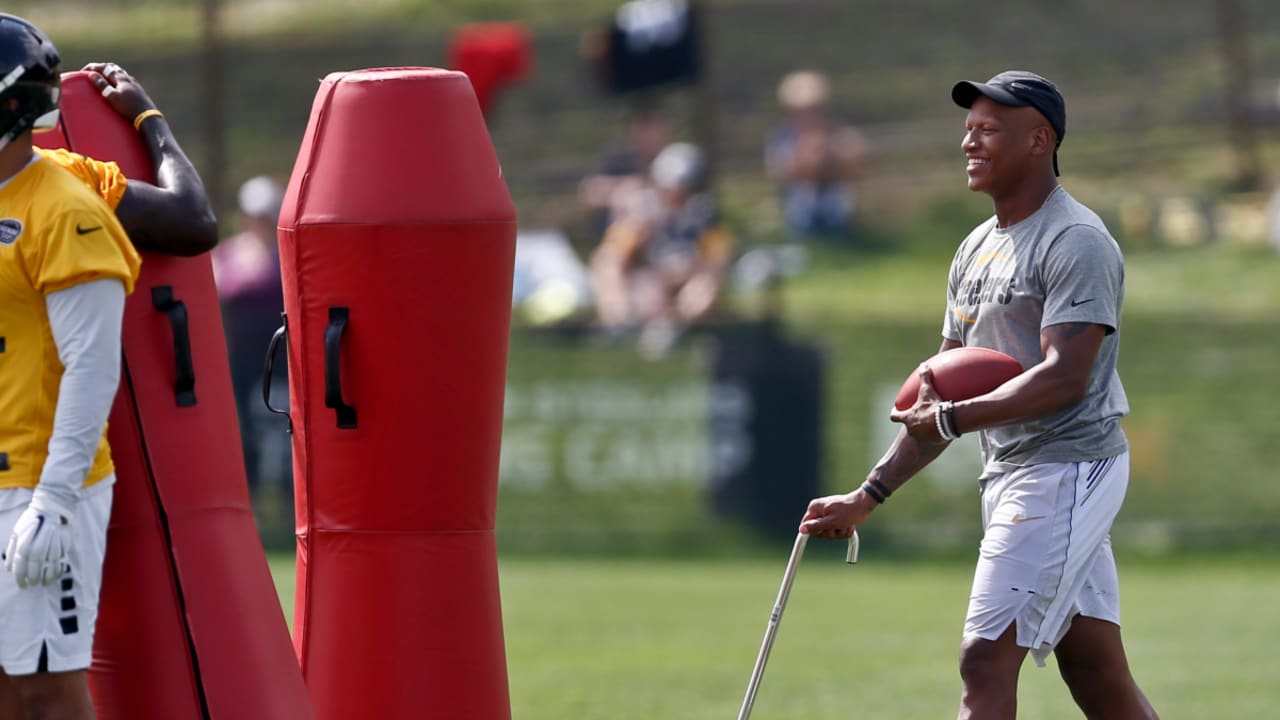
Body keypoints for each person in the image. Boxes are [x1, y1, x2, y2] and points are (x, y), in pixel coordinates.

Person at [798, 70, 1160, 719]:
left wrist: (954, 420)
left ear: (1037, 139)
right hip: (1017, 473)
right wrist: (867, 495)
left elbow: (1064, 376)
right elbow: (934, 399)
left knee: (983, 659)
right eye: (968, 130)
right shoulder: (973, 250)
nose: (970, 142)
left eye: (989, 129)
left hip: (1068, 468)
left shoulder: (1075, 239)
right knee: (1095, 672)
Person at [0, 14, 216, 720]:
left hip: (36, 485)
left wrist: (55, 502)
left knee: (47, 691)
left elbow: (92, 366)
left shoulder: (65, 205)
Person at [588, 141, 732, 358]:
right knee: (607, 263)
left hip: (686, 286)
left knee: (703, 289)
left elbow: (717, 262)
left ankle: (669, 328)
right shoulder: (644, 211)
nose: (674, 194)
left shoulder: (705, 216)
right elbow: (613, 254)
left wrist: (688, 273)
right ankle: (617, 322)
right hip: (650, 283)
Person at [212, 176, 290, 532]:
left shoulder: (286, 251)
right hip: (241, 362)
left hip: (285, 361)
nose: (257, 221)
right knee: (245, 437)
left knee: (285, 437)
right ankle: (252, 520)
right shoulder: (226, 254)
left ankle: (292, 517)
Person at [765, 70, 868, 241]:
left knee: (837, 201)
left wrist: (835, 155)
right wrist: (807, 157)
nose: (809, 114)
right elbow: (780, 173)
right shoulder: (782, 136)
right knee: (803, 202)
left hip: (833, 192)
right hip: (799, 198)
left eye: (814, 107)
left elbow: (855, 163)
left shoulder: (836, 130)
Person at [578, 104, 670, 246]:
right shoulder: (619, 160)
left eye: (658, 129)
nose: (653, 136)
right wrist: (625, 188)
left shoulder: (670, 161)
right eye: (648, 130)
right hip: (617, 239)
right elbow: (589, 193)